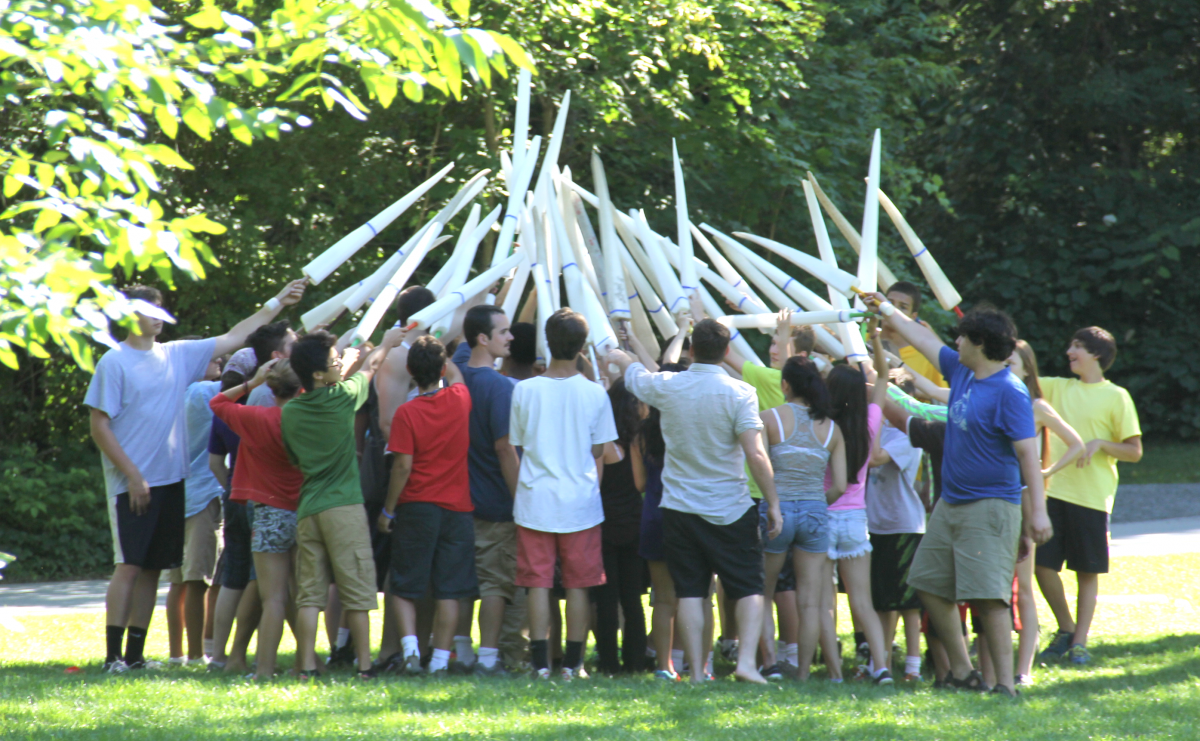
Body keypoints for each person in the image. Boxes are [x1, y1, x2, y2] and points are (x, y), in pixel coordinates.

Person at [86, 279, 306, 673]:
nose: (157, 320)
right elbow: (99, 426)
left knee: (153, 566)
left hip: (171, 480)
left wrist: (278, 301)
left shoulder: (176, 355)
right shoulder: (114, 362)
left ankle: (134, 657)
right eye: (148, 311)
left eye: (160, 311)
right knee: (130, 564)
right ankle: (112, 657)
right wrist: (133, 476)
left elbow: (237, 334)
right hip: (132, 482)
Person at [869, 295, 1053, 697]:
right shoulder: (963, 372)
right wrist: (884, 308)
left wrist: (1037, 512)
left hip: (990, 507)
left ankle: (1004, 685)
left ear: (980, 343)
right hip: (950, 503)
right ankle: (965, 672)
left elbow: (1027, 454)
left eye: (961, 338)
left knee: (988, 597)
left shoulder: (1010, 391)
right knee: (927, 584)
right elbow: (920, 338)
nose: (954, 344)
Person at [610, 316, 783, 684]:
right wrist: (773, 502)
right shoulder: (741, 393)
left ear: (691, 350)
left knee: (690, 591)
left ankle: (697, 675)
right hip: (730, 506)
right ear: (726, 352)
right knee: (749, 587)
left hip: (679, 507)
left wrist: (620, 356)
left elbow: (635, 375)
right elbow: (756, 454)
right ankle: (747, 664)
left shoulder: (669, 387)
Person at [281, 325, 407, 679]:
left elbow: (293, 458)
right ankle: (365, 667)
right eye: (334, 361)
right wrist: (384, 344)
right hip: (344, 508)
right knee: (358, 590)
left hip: (309, 510)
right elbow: (370, 368)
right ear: (319, 375)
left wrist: (350, 354)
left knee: (309, 594)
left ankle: (306, 666)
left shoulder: (291, 412)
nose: (340, 364)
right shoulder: (343, 398)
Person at [510, 308, 618, 680]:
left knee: (536, 582)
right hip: (581, 501)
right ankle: (574, 663)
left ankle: (541, 663)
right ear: (583, 346)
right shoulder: (594, 394)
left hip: (535, 498)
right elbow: (600, 451)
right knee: (579, 583)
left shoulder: (524, 390)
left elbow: (519, 443)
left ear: (547, 341)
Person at [1034, 327, 1141, 666]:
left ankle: (1080, 642)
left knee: (1086, 572)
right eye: (1070, 344)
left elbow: (1134, 451)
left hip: (1092, 497)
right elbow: (1021, 374)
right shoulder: (1056, 387)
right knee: (1042, 565)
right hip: (1053, 491)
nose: (1069, 351)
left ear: (1097, 354)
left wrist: (1100, 444)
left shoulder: (1117, 396)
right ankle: (1066, 628)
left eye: (1077, 346)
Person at [377, 335, 477, 676]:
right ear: (444, 368)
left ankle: (409, 651)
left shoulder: (406, 413)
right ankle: (438, 662)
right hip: (458, 507)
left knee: (404, 584)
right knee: (449, 588)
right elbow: (458, 379)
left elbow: (402, 467)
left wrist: (388, 510)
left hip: (417, 505)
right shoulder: (461, 398)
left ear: (409, 372)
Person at [210, 358, 306, 680]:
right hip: (304, 511)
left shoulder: (254, 418)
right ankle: (305, 664)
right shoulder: (308, 418)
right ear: (301, 387)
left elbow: (218, 402)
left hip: (268, 512)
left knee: (274, 598)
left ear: (271, 386)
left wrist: (252, 383)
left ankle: (263, 670)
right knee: (302, 594)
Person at [1000, 340, 1086, 683]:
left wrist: (1046, 473)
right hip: (995, 499)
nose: (1005, 369)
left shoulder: (1035, 406)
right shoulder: (995, 401)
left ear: (1026, 370)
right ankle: (999, 663)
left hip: (1023, 500)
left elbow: (1076, 443)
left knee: (1022, 588)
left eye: (1011, 364)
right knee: (996, 585)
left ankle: (1023, 670)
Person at [760, 356, 846, 682]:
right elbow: (839, 485)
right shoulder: (832, 429)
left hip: (777, 511)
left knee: (764, 592)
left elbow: (757, 463)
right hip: (814, 512)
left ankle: (769, 665)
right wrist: (815, 503)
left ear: (785, 385)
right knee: (811, 602)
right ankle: (804, 674)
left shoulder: (769, 419)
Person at [450, 304, 522, 675]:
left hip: (459, 501)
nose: (511, 337)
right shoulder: (497, 386)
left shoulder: (456, 375)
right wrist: (521, 498)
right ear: (483, 338)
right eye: (504, 331)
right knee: (495, 583)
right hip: (495, 501)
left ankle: (461, 653)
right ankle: (489, 658)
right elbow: (504, 448)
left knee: (462, 581)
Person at [823, 320, 894, 685]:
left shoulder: (820, 425)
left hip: (822, 517)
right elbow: (883, 375)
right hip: (855, 519)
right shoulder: (869, 422)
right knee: (862, 603)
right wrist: (875, 340)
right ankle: (880, 666)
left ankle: (834, 671)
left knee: (825, 603)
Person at [865, 378, 927, 682]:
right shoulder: (882, 431)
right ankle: (883, 663)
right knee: (883, 600)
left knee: (908, 603)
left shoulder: (905, 436)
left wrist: (873, 417)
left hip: (904, 525)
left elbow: (876, 457)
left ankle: (913, 668)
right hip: (878, 526)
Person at [166, 354, 225, 665]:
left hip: (176, 495)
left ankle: (177, 653)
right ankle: (196, 653)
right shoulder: (203, 393)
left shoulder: (170, 396)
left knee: (177, 582)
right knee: (198, 580)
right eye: (208, 356)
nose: (218, 359)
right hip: (202, 495)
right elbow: (243, 385)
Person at [631, 362, 688, 681]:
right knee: (696, 595)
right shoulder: (689, 425)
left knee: (663, 600)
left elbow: (639, 483)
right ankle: (696, 662)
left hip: (654, 514)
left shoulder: (642, 432)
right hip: (689, 513)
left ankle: (664, 666)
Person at [592, 380, 648, 675]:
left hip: (605, 526)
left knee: (606, 601)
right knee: (633, 599)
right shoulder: (640, 441)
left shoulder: (605, 446)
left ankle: (608, 663)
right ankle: (636, 662)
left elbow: (596, 484)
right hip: (634, 524)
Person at [881, 281, 946, 388]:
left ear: (913, 316)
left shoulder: (927, 356)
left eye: (903, 307)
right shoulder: (861, 339)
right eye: (890, 303)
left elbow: (943, 398)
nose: (893, 310)